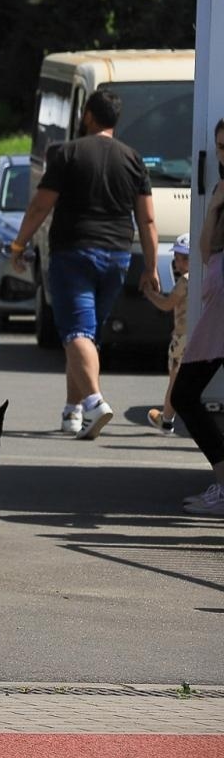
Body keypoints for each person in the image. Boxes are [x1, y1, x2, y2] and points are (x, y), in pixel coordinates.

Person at [10, 89, 158, 440]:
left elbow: (40, 206)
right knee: (86, 334)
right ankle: (72, 411)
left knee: (76, 333)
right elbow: (148, 220)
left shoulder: (66, 153)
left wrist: (19, 243)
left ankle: (93, 401)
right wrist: (150, 268)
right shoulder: (134, 158)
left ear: (88, 114)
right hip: (117, 257)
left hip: (73, 252)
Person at [172, 120, 224, 515]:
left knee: (186, 393)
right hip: (216, 308)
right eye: (220, 148)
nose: (223, 157)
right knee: (187, 394)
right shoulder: (223, 191)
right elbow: (207, 251)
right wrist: (217, 205)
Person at [142, 233, 190, 434]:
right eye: (176, 258)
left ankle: (167, 419)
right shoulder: (207, 277)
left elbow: (166, 304)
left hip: (182, 337)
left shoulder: (185, 282)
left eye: (180, 258)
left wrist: (150, 294)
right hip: (202, 336)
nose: (177, 263)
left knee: (175, 379)